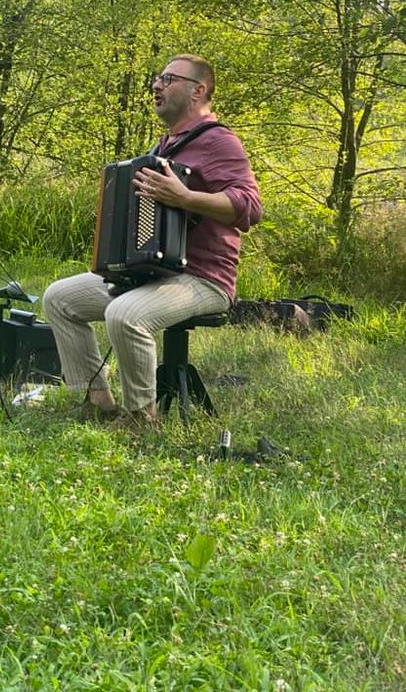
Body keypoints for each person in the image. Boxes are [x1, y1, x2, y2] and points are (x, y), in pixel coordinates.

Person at [43, 53, 262, 430]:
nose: (156, 85)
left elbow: (251, 207)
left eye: (168, 79)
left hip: (203, 278)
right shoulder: (165, 147)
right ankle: (99, 403)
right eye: (157, 78)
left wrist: (186, 198)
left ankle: (142, 418)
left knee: (125, 315)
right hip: (155, 273)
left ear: (198, 91)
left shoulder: (218, 141)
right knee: (59, 299)